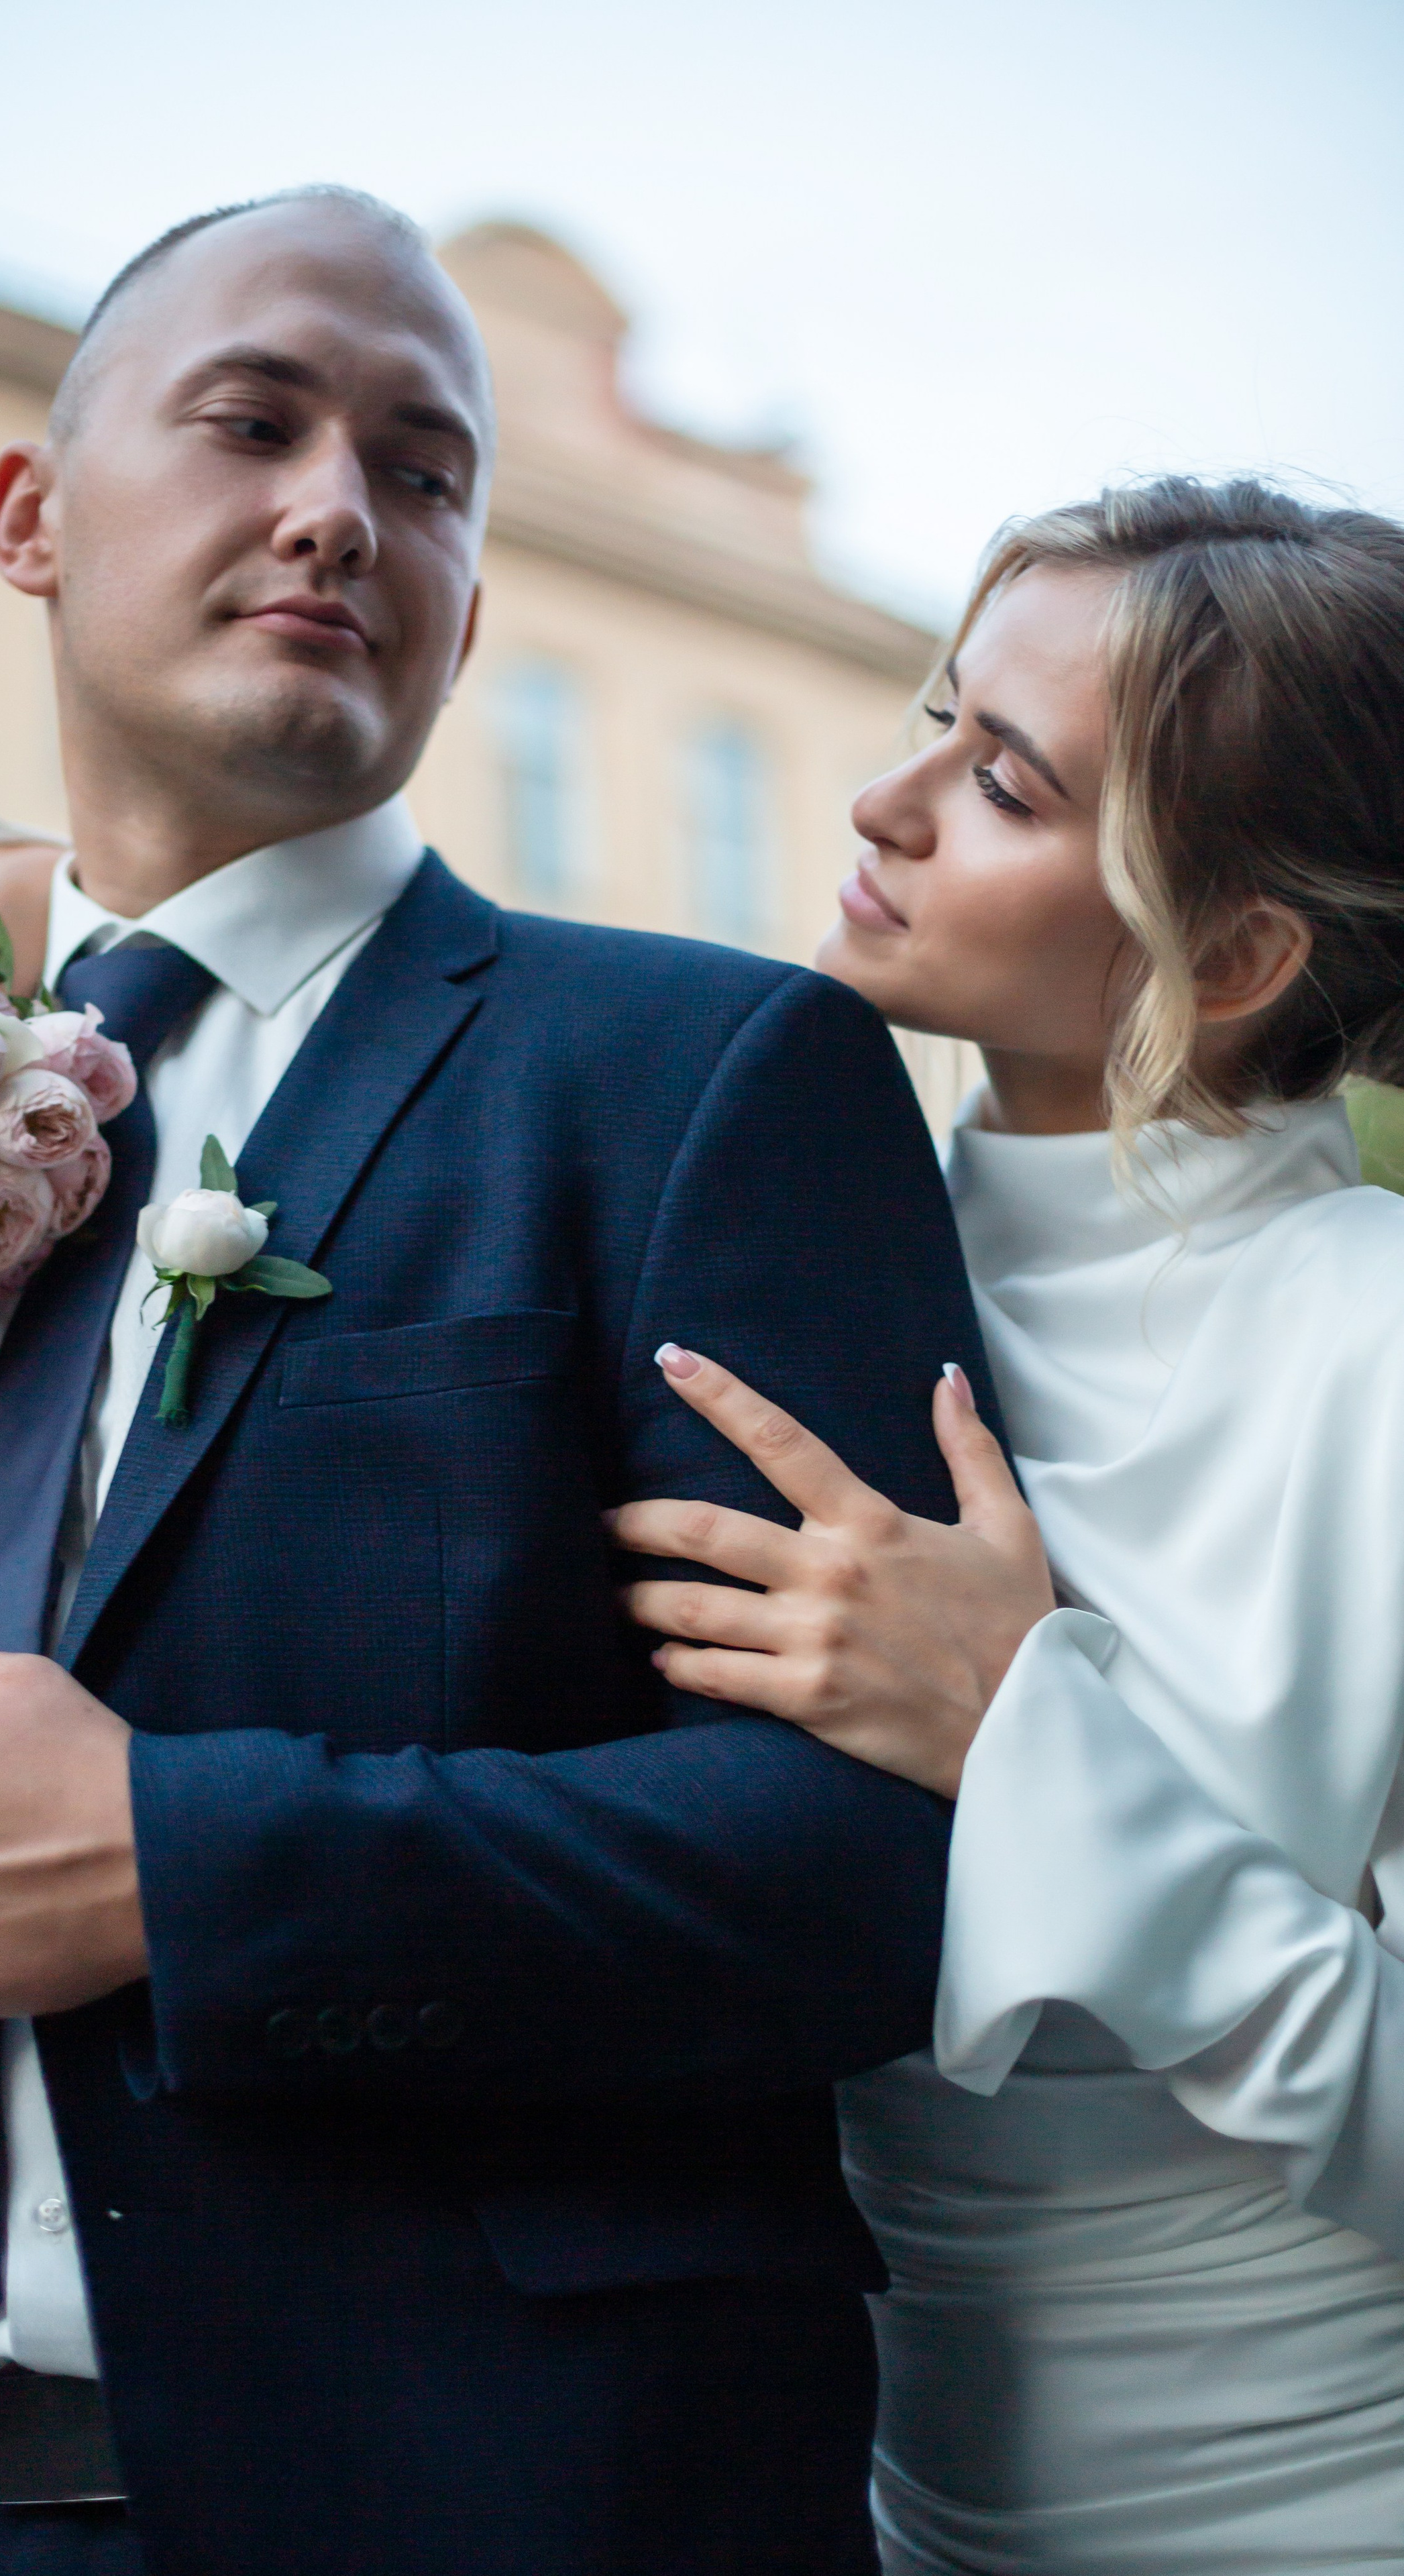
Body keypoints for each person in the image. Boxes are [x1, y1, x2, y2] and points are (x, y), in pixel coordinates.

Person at [0, 189, 987, 2576]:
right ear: (27, 520)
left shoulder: (705, 1075)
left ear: (468, 603)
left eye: (422, 467)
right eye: (254, 419)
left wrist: (192, 1863)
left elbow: (878, 1878)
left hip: (479, 2505)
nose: (336, 507)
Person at [613, 476, 1404, 2569]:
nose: (881, 804)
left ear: (1232, 954)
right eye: (933, 718)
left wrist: (1024, 1731)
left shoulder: (1381, 1350)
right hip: (847, 2496)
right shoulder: (787, 1251)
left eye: (1006, 782)